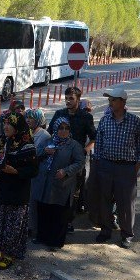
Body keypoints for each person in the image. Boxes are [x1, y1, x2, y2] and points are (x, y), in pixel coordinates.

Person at [92, 88, 140, 249]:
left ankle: (126, 234)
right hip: (106, 166)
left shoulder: (134, 121)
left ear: (123, 102)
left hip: (126, 168)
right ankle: (105, 229)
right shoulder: (105, 120)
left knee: (126, 203)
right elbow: (99, 143)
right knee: (104, 200)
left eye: (113, 100)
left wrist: (136, 166)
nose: (110, 103)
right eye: (109, 100)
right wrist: (100, 161)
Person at [0, 112, 38, 270]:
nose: (5, 126)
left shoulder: (26, 145)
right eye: (4, 123)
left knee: (12, 225)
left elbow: (33, 170)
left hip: (16, 193)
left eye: (10, 124)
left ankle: (9, 254)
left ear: (18, 127)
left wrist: (16, 171)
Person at [34, 118, 85, 249]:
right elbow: (35, 155)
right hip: (45, 183)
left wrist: (66, 171)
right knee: (44, 211)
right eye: (60, 128)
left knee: (59, 214)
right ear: (56, 129)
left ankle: (55, 241)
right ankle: (42, 237)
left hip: (62, 184)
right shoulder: (48, 142)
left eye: (66, 128)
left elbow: (80, 162)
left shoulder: (73, 145)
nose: (63, 131)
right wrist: (44, 151)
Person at [47, 86, 96, 215]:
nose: (68, 101)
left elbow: (94, 138)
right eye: (66, 98)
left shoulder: (86, 117)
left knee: (74, 190)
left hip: (76, 160)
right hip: (58, 157)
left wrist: (84, 150)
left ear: (78, 100)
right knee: (56, 186)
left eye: (71, 99)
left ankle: (70, 218)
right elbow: (49, 133)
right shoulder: (59, 114)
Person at [26, 108, 51, 234]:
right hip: (28, 171)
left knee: (35, 199)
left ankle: (33, 227)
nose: (28, 120)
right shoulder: (28, 132)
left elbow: (44, 155)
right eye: (28, 117)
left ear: (38, 120)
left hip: (39, 172)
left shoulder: (44, 135)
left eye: (32, 118)